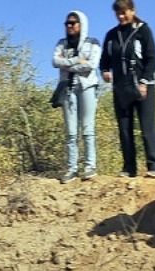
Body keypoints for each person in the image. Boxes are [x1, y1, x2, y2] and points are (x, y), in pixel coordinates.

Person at [99, 0, 155, 178]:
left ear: (132, 10)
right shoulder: (111, 35)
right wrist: (104, 71)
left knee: (147, 126)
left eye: (124, 12)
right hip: (121, 88)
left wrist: (144, 81)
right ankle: (129, 167)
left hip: (143, 85)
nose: (121, 16)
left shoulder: (143, 30)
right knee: (124, 129)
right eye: (118, 13)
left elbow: (152, 58)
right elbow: (104, 59)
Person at [52, 10, 101, 184]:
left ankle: (90, 166)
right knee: (71, 133)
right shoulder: (61, 43)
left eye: (73, 23)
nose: (70, 26)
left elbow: (92, 65)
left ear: (82, 24)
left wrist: (67, 64)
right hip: (67, 89)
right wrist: (76, 61)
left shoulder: (93, 42)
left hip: (87, 87)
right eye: (67, 23)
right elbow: (55, 61)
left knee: (88, 129)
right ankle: (71, 168)